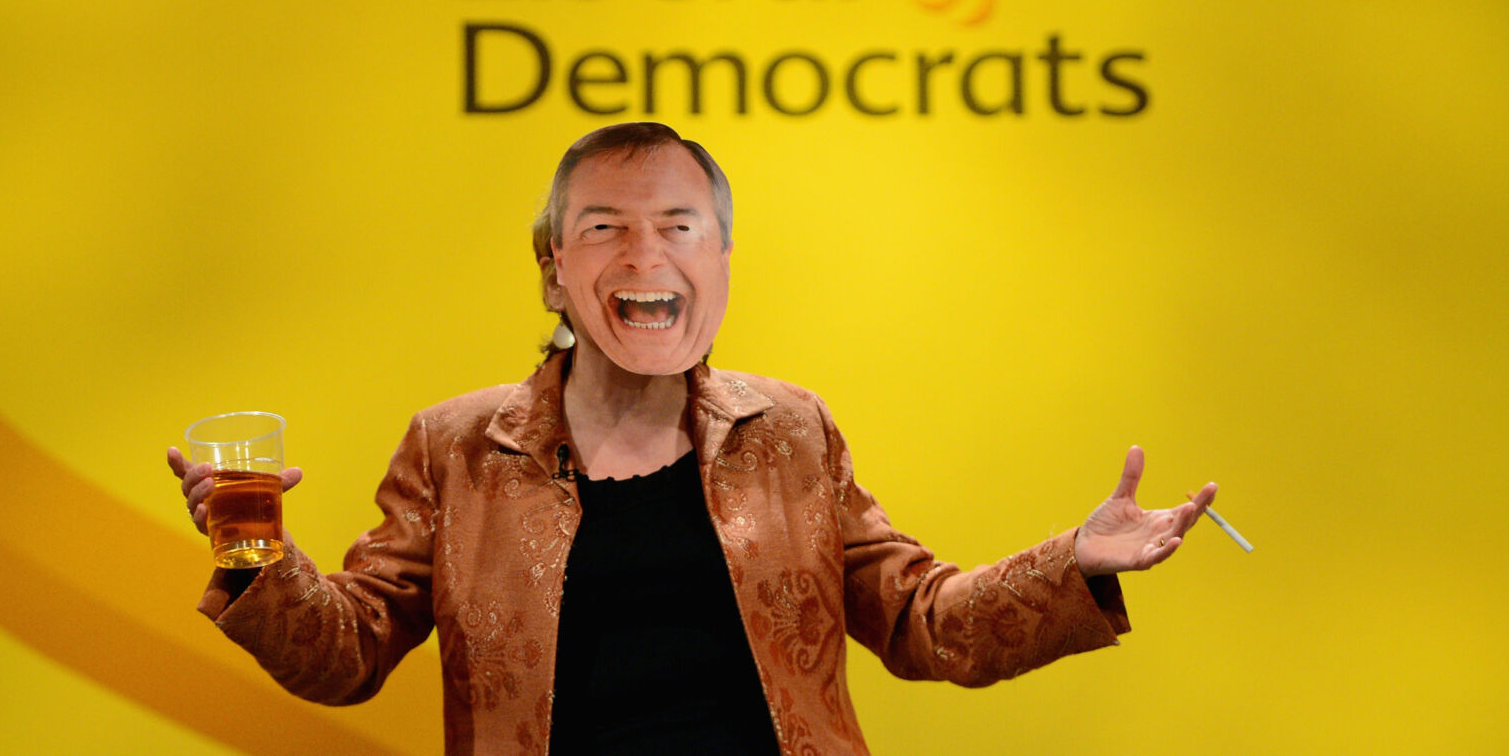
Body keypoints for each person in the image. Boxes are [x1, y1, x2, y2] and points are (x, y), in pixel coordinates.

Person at [168, 122, 1217, 756]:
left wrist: (1073, 561)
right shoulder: (455, 448)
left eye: (678, 225)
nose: (645, 252)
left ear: (717, 259)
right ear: (551, 271)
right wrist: (250, 550)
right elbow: (345, 655)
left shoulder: (791, 431)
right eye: (605, 227)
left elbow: (924, 621)